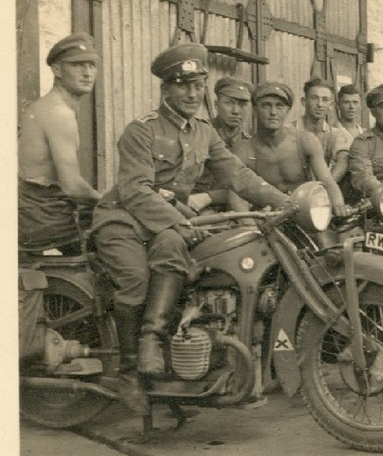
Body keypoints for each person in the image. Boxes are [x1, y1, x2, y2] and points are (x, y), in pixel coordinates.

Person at [91, 42, 293, 414]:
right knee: (139, 277)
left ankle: (191, 352)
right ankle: (134, 366)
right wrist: (180, 220)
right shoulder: (141, 131)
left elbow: (238, 174)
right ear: (165, 89)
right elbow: (136, 191)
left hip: (169, 220)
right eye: (182, 85)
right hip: (123, 221)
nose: (191, 93)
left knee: (209, 260)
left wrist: (285, 202)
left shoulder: (204, 132)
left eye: (197, 85)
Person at [19, 33, 102, 253]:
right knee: (122, 229)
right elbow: (73, 187)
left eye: (91, 65)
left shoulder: (49, 106)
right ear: (57, 70)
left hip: (37, 213)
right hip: (43, 217)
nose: (87, 73)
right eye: (77, 65)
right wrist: (108, 201)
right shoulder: (58, 113)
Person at [231, 81, 347, 215]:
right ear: (255, 110)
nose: (273, 112)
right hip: (267, 217)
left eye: (279, 106)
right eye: (266, 106)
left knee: (333, 235)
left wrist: (338, 204)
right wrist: (249, 223)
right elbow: (234, 195)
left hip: (305, 212)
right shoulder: (244, 149)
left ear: (287, 110)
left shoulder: (305, 141)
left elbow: (326, 180)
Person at [188, 76, 254, 213]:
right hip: (197, 209)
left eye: (242, 105)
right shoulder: (198, 134)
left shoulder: (252, 143)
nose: (236, 111)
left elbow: (251, 187)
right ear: (217, 105)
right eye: (229, 103)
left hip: (237, 210)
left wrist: (212, 197)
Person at [293, 77, 349, 183]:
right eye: (314, 98)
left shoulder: (335, 134)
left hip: (322, 191)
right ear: (304, 102)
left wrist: (326, 186)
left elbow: (343, 160)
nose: (320, 104)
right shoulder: (290, 130)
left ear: (331, 105)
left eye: (325, 99)